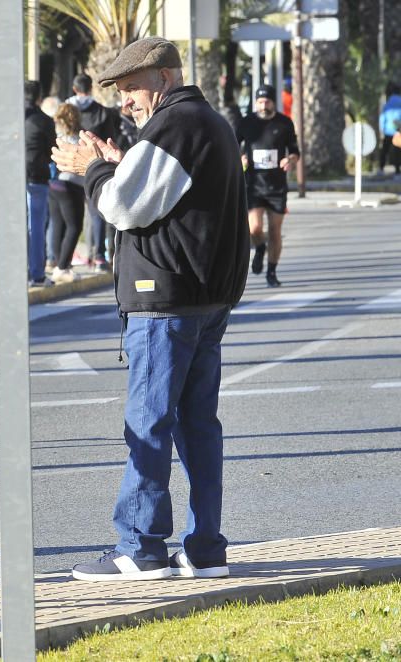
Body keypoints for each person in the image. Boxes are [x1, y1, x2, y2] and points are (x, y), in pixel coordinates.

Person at [53, 36, 249, 581]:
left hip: (167, 302)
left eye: (133, 88)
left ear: (164, 78)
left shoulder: (176, 125)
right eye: (120, 92)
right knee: (197, 426)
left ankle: (139, 547)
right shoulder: (201, 122)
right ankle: (206, 547)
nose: (126, 102)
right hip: (201, 299)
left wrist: (92, 169)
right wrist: (121, 163)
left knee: (150, 424)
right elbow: (165, 194)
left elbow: (123, 206)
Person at [236, 84, 300, 287]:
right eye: (260, 102)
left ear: (274, 102)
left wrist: (290, 160)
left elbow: (295, 150)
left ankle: (271, 271)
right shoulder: (246, 123)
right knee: (254, 228)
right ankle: (260, 248)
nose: (263, 105)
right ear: (256, 103)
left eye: (267, 102)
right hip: (254, 184)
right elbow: (233, 145)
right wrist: (241, 158)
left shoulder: (284, 123)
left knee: (274, 230)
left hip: (277, 187)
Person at [66, 73, 118, 270]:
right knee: (96, 212)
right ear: (91, 88)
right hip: (96, 165)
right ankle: (98, 256)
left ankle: (62, 257)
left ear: (74, 88)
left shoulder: (65, 110)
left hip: (69, 166)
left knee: (66, 217)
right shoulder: (102, 112)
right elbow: (111, 137)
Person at [47, 102, 86, 284]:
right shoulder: (80, 138)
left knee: (58, 225)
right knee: (74, 226)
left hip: (54, 183)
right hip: (72, 184)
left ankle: (58, 264)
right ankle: (63, 266)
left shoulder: (56, 136)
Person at [25, 80, 57, 287]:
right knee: (36, 226)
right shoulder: (43, 120)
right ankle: (36, 273)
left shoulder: (7, 117)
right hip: (36, 177)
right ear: (39, 98)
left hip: (10, 179)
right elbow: (51, 150)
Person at [379, 84, 401, 176]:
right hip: (398, 130)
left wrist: (382, 129)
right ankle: (397, 168)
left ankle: (381, 167)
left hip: (388, 131)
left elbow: (382, 118)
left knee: (385, 149)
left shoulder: (387, 104)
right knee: (398, 150)